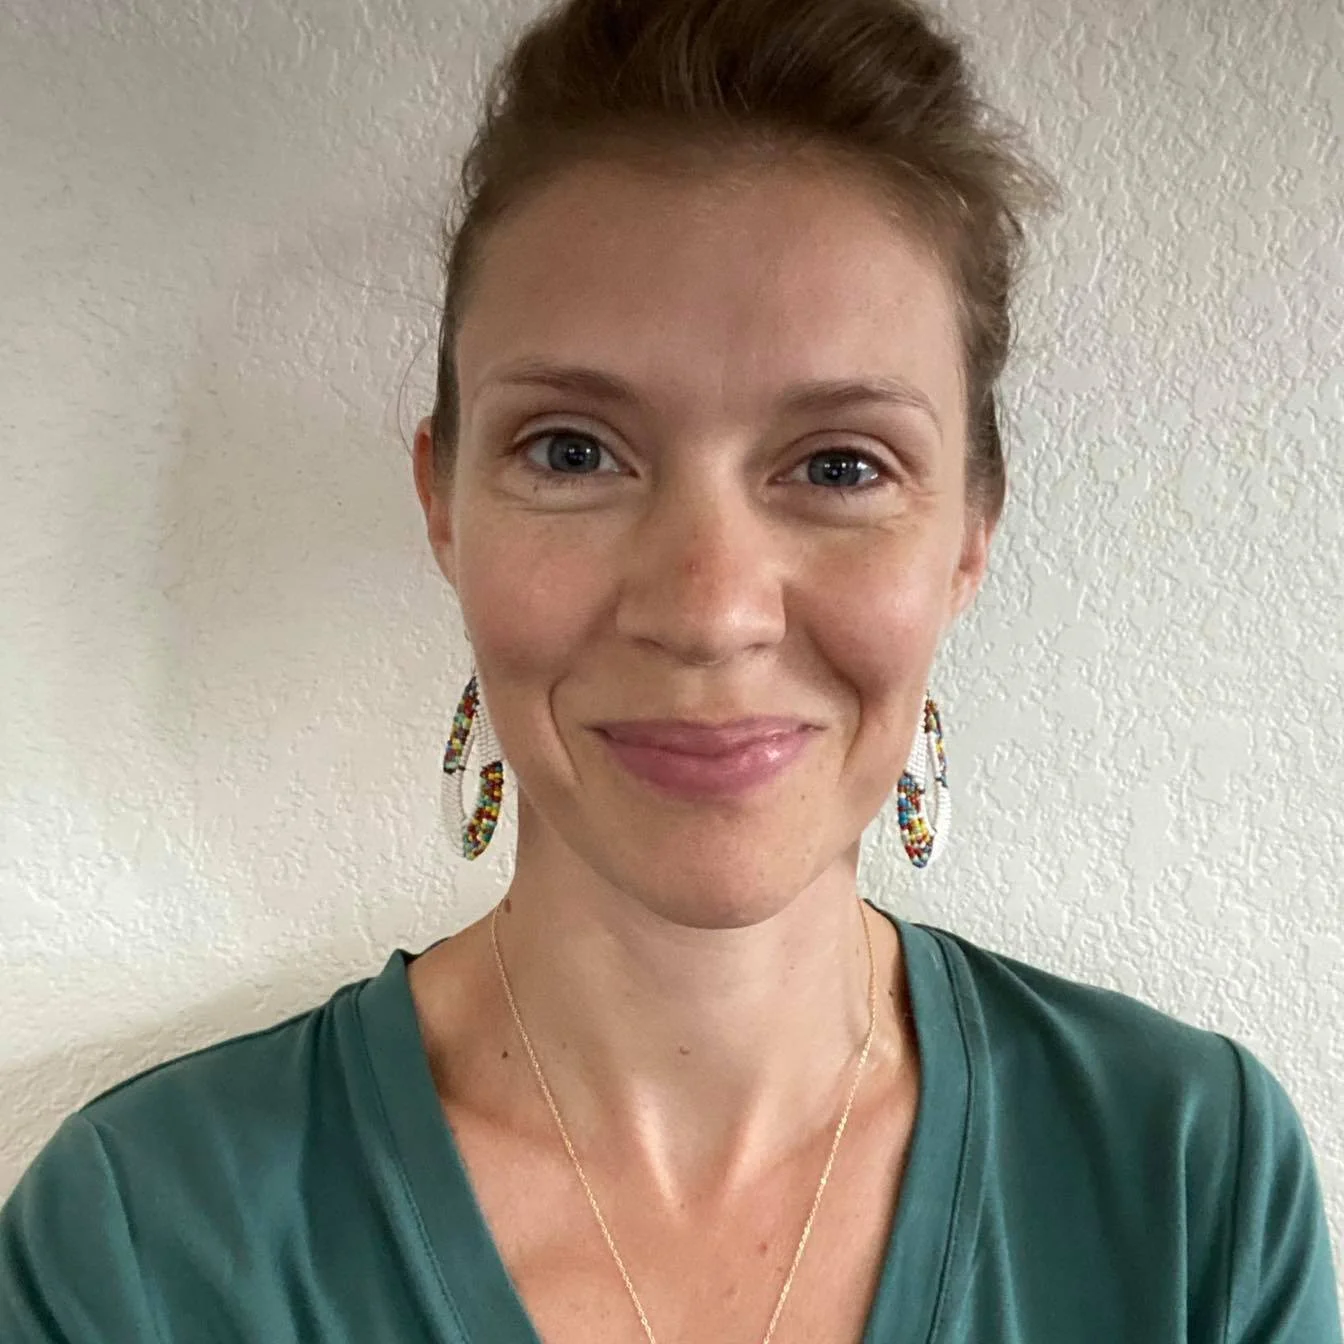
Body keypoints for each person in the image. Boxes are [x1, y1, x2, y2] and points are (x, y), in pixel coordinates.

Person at [2, 0, 1339, 1339]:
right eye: (575, 452)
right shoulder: (143, 1242)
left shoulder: (1190, 1183)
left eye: (837, 466)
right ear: (445, 507)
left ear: (969, 536)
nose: (708, 613)